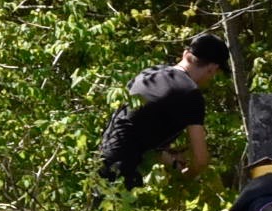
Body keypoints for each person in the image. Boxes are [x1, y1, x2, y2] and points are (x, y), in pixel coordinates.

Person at [96, 34, 228, 188]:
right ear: (212, 69)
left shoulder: (151, 72)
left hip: (102, 158)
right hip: (124, 171)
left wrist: (173, 164)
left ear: (186, 54)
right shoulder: (190, 93)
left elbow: (137, 132)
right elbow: (201, 160)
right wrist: (187, 177)